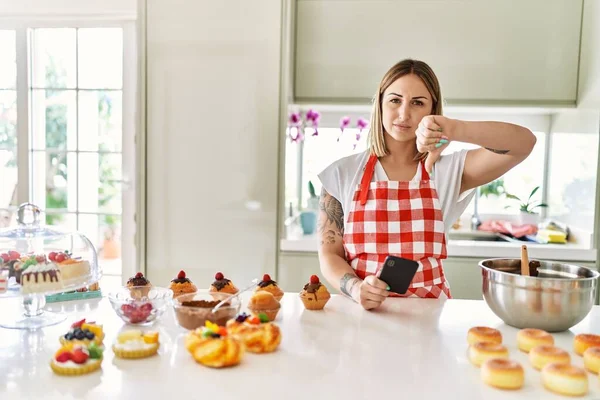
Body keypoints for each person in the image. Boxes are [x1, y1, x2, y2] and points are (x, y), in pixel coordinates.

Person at [317, 59, 536, 310]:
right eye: (395, 100)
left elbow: (524, 143)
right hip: (363, 315)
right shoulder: (342, 173)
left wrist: (454, 129)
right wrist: (356, 288)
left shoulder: (449, 171)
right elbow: (330, 255)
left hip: (429, 321)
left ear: (433, 109)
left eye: (418, 103)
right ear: (380, 104)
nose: (404, 114)